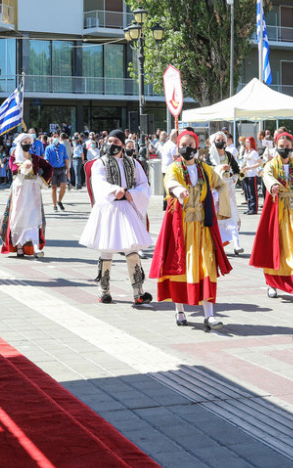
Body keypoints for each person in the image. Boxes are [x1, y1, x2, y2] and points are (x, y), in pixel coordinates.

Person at [150, 130, 232, 331]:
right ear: (178, 147)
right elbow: (170, 181)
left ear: (197, 147)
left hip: (203, 227)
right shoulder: (174, 168)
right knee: (180, 265)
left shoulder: (205, 169)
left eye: (190, 145)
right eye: (183, 145)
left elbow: (221, 184)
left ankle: (209, 314)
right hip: (182, 226)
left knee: (207, 265)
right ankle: (179, 310)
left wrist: (220, 200)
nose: (187, 149)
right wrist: (179, 191)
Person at [80, 130, 153, 304]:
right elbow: (98, 182)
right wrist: (114, 190)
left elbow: (144, 185)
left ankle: (138, 291)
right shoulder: (101, 163)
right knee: (106, 247)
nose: (112, 144)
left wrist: (132, 193)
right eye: (109, 141)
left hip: (126, 207)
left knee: (132, 247)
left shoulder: (133, 163)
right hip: (108, 207)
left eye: (116, 142)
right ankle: (104, 290)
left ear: (122, 144)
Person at [250, 131, 293, 302]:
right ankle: (273, 284)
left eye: (288, 147)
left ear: (292, 147)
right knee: (277, 247)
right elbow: (267, 176)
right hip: (278, 212)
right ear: (276, 146)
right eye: (281, 147)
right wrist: (273, 185)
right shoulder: (271, 165)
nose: (285, 149)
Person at [0, 133, 53, 258]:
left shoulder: (36, 158)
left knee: (34, 217)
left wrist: (42, 181)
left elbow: (49, 167)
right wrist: (23, 166)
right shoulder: (14, 156)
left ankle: (35, 247)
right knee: (19, 216)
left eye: (29, 142)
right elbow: (13, 168)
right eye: (25, 142)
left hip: (33, 190)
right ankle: (19, 246)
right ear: (20, 143)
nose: (28, 144)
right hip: (19, 190)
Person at [205, 131, 243, 255]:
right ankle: (214, 244)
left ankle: (237, 245)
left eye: (223, 139)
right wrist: (219, 169)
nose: (220, 142)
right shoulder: (209, 156)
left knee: (231, 217)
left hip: (228, 192)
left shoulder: (229, 156)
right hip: (214, 192)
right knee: (214, 219)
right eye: (218, 140)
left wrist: (234, 179)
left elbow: (237, 171)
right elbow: (206, 170)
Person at [45, 136, 69, 212]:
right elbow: (47, 160)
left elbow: (66, 158)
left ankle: (59, 200)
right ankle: (54, 205)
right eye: (54, 137)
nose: (55, 138)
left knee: (63, 185)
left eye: (56, 137)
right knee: (53, 187)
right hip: (53, 169)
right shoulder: (48, 148)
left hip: (61, 169)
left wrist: (68, 170)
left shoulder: (62, 147)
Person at [240, 136, 262, 215]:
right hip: (246, 173)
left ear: (252, 143)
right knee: (247, 192)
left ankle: (254, 208)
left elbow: (259, 162)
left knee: (252, 192)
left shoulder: (254, 152)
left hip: (252, 174)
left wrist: (251, 167)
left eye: (248, 142)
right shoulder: (246, 151)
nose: (246, 143)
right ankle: (249, 207)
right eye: (246, 142)